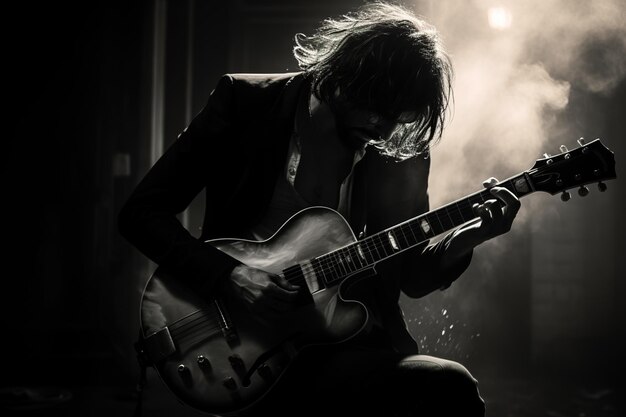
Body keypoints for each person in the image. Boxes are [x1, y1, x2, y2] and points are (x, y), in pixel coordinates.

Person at [119, 2, 520, 416]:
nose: (385, 130)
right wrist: (230, 276)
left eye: (398, 119)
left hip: (347, 348)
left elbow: (411, 276)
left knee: (450, 388)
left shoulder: (397, 151)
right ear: (349, 72)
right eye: (379, 108)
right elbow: (141, 214)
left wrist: (468, 237)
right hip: (239, 347)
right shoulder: (245, 103)